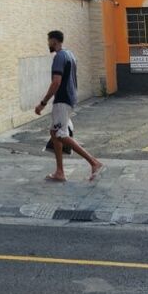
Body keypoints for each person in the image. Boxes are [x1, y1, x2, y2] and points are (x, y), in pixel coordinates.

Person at [34, 30, 104, 182]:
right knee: (54, 132)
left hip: (63, 100)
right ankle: (60, 172)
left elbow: (56, 82)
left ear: (54, 41)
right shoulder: (70, 54)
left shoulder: (59, 56)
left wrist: (43, 103)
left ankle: (94, 162)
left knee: (60, 134)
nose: (48, 43)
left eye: (48, 40)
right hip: (69, 99)